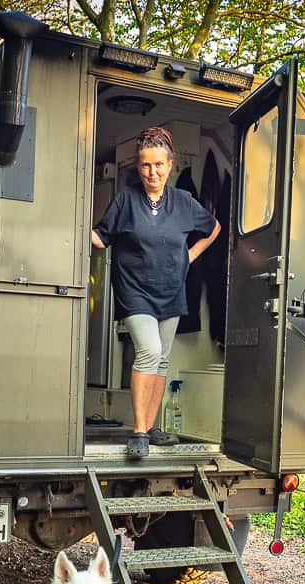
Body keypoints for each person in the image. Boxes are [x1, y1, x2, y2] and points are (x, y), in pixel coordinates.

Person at [90, 126, 221, 458]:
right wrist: (70, 225)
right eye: (146, 165)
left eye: (159, 165)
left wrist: (190, 256)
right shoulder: (125, 200)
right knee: (148, 351)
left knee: (162, 360)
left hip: (170, 291)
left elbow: (213, 228)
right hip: (134, 292)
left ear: (170, 164)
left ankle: (150, 427)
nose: (153, 172)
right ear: (138, 166)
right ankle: (138, 431)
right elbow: (101, 237)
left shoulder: (183, 202)